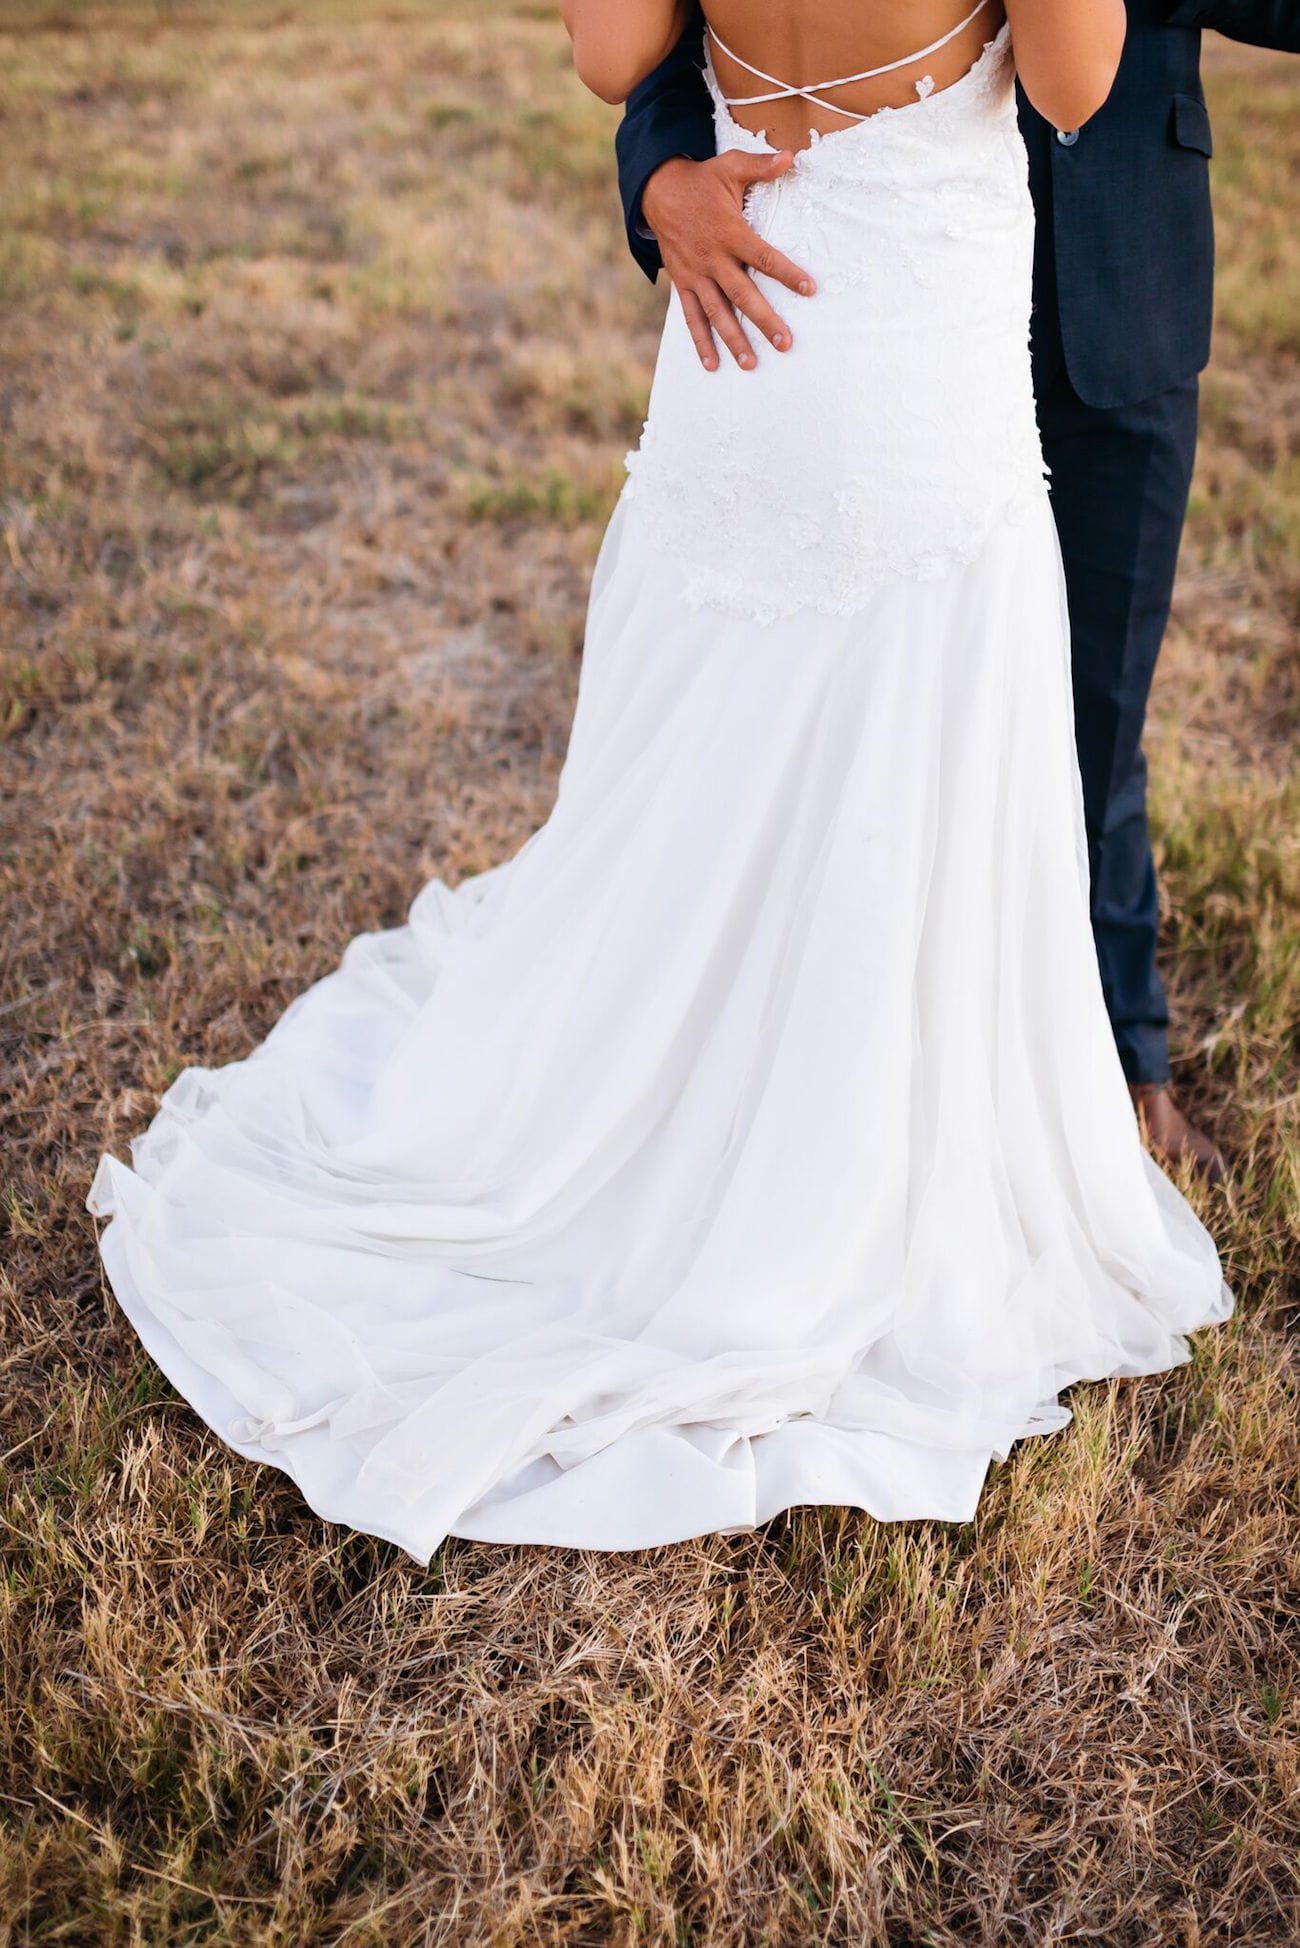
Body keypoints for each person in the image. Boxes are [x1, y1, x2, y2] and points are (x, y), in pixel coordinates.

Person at [88, 0, 1233, 1563]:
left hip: (757, 342)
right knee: (910, 733)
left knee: (716, 741)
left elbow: (611, 49)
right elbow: (1074, 75)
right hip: (907, 348)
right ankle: (836, 1168)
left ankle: (705, 1106)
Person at [616, 0, 1300, 1186]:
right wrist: (657, 174)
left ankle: (1113, 1057)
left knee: (1088, 703)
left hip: (1111, 278)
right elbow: (656, 41)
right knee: (821, 710)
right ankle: (820, 1084)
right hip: (853, 286)